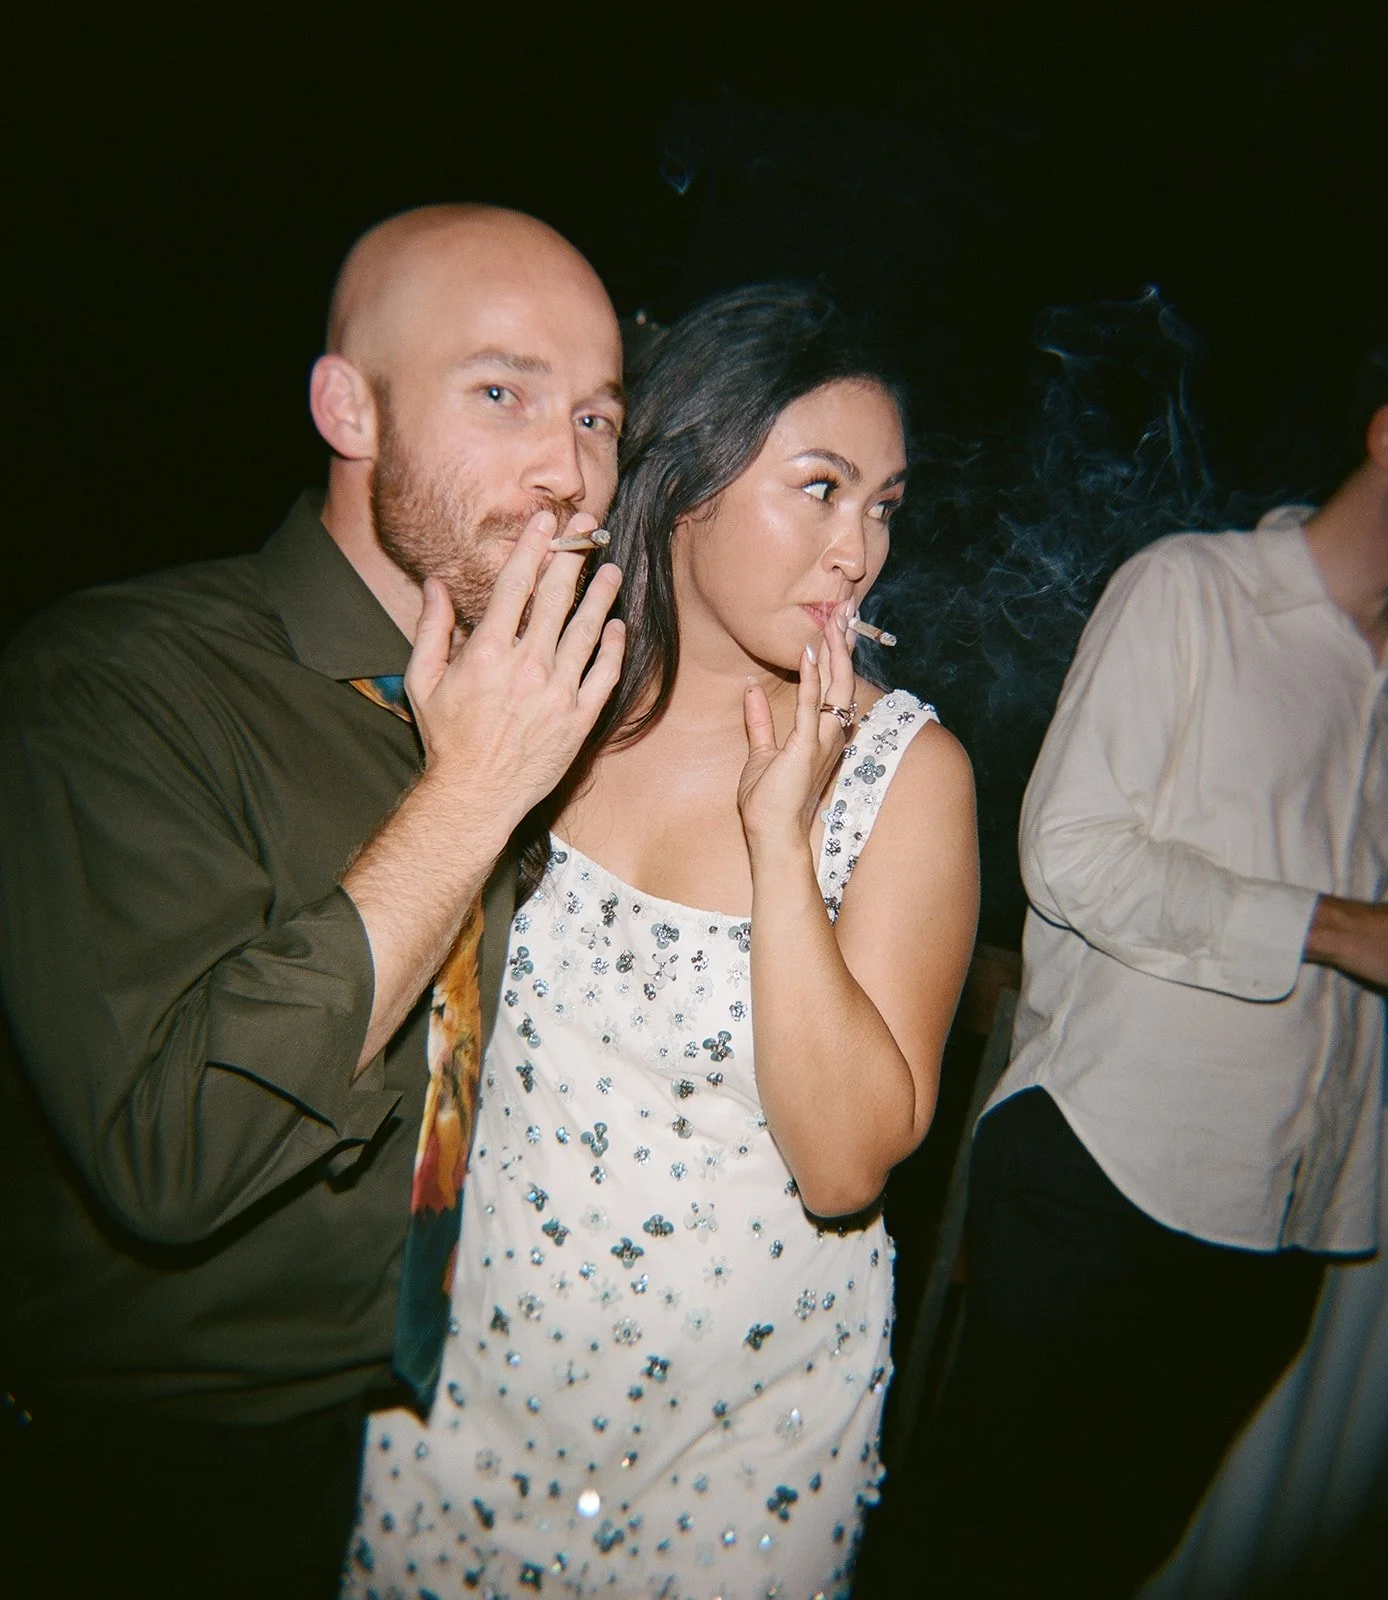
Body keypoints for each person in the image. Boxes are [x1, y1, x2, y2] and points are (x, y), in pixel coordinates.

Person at [0, 204, 629, 1599]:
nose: (568, 471)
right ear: (350, 407)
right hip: (152, 1467)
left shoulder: (549, 707)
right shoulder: (115, 680)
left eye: (596, 415)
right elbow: (170, 1155)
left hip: (445, 1432)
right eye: (499, 392)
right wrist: (465, 805)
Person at [901, 308, 1388, 1598]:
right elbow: (1074, 854)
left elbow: (1361, 923)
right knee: (978, 1559)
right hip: (1111, 1170)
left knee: (1106, 1567)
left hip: (1295, 1211)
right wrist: (1357, 930)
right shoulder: (1192, 590)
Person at [344, 285, 979, 1599]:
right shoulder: (545, 695)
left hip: (736, 1441)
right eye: (819, 487)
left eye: (885, 503)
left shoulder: (907, 774)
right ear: (687, 476)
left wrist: (779, 842)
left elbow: (849, 1161)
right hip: (470, 1390)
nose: (858, 547)